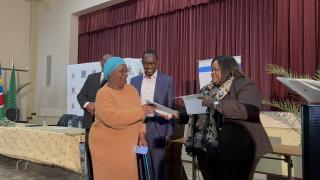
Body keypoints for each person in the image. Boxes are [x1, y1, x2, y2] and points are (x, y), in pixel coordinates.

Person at [197, 55, 272, 180]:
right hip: (212, 148)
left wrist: (214, 103)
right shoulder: (209, 89)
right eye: (211, 70)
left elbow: (248, 110)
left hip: (240, 149)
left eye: (216, 70)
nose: (212, 73)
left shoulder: (244, 84)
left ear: (228, 69)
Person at [89, 57, 155, 180]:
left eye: (126, 71)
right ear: (110, 74)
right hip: (106, 148)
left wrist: (141, 136)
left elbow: (140, 118)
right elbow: (113, 119)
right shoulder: (103, 94)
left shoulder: (132, 90)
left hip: (127, 148)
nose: (125, 74)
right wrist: (142, 111)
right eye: (121, 71)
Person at [131, 50, 174, 180]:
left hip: (159, 128)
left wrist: (169, 132)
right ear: (142, 63)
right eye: (146, 63)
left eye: (152, 63)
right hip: (140, 127)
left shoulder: (167, 80)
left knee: (158, 166)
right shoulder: (134, 81)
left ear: (157, 63)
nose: (149, 67)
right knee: (142, 163)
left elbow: (170, 107)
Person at [77, 54, 111, 180]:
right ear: (100, 63)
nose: (107, 64)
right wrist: (88, 104)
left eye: (110, 62)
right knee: (90, 155)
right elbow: (80, 96)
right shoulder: (91, 78)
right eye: (105, 62)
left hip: (106, 126)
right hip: (90, 125)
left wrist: (99, 106)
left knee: (104, 157)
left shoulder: (115, 80)